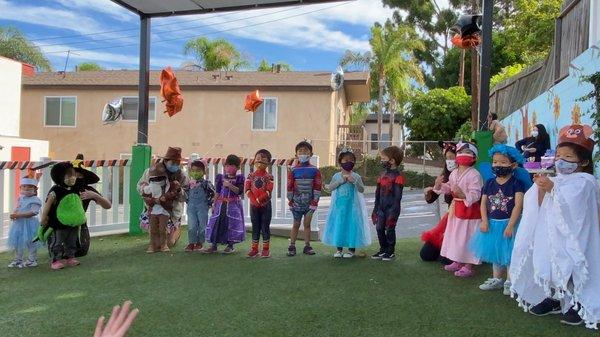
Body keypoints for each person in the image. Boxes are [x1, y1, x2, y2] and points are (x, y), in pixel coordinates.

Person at [510, 124, 600, 329]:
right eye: (559, 155)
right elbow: (539, 205)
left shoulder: (586, 181)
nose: (561, 161)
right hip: (551, 233)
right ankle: (554, 297)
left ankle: (578, 302)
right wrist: (541, 187)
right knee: (550, 262)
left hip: (576, 237)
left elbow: (574, 204)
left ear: (584, 161)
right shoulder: (556, 178)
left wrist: (553, 188)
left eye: (568, 157)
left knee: (573, 266)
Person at [469, 145, 526, 295]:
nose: (498, 165)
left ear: (513, 165)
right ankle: (497, 279)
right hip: (492, 224)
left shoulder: (516, 183)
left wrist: (511, 225)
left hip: (509, 225)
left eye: (502, 162)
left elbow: (518, 206)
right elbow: (483, 203)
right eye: (495, 162)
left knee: (509, 255)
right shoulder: (489, 183)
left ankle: (510, 281)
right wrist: (484, 220)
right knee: (495, 253)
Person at [434, 141, 482, 277]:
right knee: (455, 236)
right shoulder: (454, 173)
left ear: (474, 158)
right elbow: (449, 188)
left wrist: (463, 195)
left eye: (468, 153)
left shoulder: (475, 174)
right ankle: (457, 260)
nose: (463, 155)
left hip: (470, 212)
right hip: (456, 210)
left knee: (467, 237)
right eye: (460, 152)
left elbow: (476, 193)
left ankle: (468, 265)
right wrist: (439, 185)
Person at [322, 149, 371, 258]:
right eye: (346, 160)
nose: (349, 162)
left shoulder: (356, 176)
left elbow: (362, 189)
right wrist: (340, 181)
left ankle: (351, 250)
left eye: (351, 160)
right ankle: (339, 250)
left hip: (352, 208)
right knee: (339, 225)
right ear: (340, 162)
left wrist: (354, 181)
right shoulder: (336, 176)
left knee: (351, 226)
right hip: (339, 208)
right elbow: (330, 188)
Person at [137, 147, 189, 248]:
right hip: (154, 209)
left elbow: (186, 197)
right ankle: (156, 234)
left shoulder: (182, 175)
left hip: (171, 210)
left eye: (177, 163)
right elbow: (139, 187)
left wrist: (178, 190)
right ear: (165, 161)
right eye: (173, 163)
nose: (175, 165)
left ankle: (176, 230)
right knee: (156, 244)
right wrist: (148, 192)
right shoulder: (151, 172)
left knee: (168, 243)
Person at [40, 162, 88, 270]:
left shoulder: (75, 188)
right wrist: (43, 218)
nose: (72, 178)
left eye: (73, 175)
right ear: (60, 177)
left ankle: (70, 257)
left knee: (72, 240)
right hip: (58, 222)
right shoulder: (55, 190)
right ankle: (55, 260)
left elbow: (77, 202)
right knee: (57, 242)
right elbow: (48, 204)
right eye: (69, 175)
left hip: (73, 221)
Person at [420, 141, 456, 263]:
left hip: (462, 218)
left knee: (446, 260)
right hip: (449, 216)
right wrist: (430, 191)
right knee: (426, 255)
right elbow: (432, 198)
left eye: (452, 157)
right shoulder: (444, 174)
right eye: (447, 158)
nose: (450, 161)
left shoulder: (470, 175)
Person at [203, 154, 245, 254]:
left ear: (238, 167)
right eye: (227, 165)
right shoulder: (220, 177)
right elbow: (217, 191)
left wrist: (230, 185)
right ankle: (214, 245)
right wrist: (214, 203)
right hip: (220, 205)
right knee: (216, 223)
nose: (228, 167)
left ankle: (230, 246)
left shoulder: (239, 178)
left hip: (233, 205)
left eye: (232, 165)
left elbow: (239, 191)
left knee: (231, 224)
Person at [287, 141, 322, 256]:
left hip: (309, 204)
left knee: (307, 224)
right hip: (296, 203)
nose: (303, 153)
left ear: (310, 154)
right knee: (296, 224)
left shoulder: (315, 170)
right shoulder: (293, 170)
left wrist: (314, 202)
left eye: (306, 151)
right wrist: (290, 200)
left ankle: (307, 245)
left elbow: (317, 187)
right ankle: (292, 245)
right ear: (296, 154)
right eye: (300, 151)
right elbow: (290, 186)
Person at [371, 145, 404, 261]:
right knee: (379, 228)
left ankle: (390, 251)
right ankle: (383, 249)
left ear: (392, 160)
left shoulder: (398, 176)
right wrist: (375, 209)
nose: (382, 161)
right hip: (381, 207)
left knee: (390, 228)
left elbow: (397, 197)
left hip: (392, 208)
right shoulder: (382, 174)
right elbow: (377, 192)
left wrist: (394, 211)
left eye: (384, 158)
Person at [7, 171, 42, 268]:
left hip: (30, 224)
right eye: (24, 186)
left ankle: (32, 260)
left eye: (30, 187)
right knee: (17, 242)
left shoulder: (35, 200)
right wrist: (14, 214)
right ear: (20, 188)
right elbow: (18, 207)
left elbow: (32, 212)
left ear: (35, 189)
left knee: (31, 242)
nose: (26, 189)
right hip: (18, 224)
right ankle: (18, 259)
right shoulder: (21, 198)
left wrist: (18, 215)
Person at [245, 149, 274, 258]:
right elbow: (247, 189)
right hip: (254, 207)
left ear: (268, 162)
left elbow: (268, 190)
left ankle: (266, 249)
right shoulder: (250, 176)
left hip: (265, 205)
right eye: (257, 159)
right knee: (255, 227)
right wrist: (253, 200)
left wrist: (259, 200)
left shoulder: (269, 176)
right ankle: (254, 249)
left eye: (263, 159)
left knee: (265, 227)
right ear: (254, 161)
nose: (259, 161)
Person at [184, 159, 215, 252]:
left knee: (202, 226)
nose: (195, 173)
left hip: (203, 207)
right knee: (191, 225)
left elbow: (213, 193)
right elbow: (185, 194)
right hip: (191, 207)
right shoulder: (189, 184)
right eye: (193, 171)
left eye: (198, 171)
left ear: (204, 172)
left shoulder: (206, 183)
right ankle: (191, 243)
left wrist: (209, 204)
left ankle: (200, 242)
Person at [141, 164, 172, 253]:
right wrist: (154, 200)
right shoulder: (150, 187)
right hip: (153, 210)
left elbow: (172, 194)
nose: (157, 181)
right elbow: (144, 195)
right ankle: (152, 245)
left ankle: (164, 244)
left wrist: (166, 197)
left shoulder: (168, 186)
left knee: (163, 228)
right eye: (154, 179)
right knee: (153, 229)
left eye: (159, 179)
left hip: (164, 210)